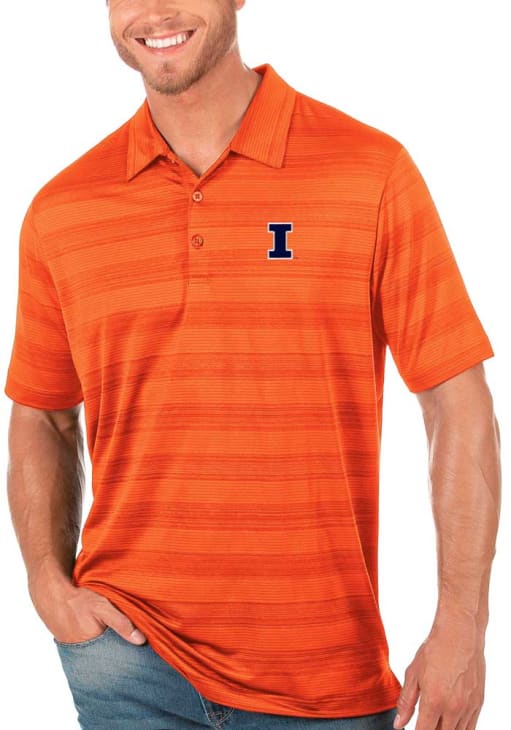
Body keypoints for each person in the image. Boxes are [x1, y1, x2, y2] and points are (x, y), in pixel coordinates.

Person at [4, 1, 501, 729]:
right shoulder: (63, 209)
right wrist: (47, 585)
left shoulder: (367, 171)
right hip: (127, 660)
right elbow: (42, 414)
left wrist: (463, 624)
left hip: (322, 679)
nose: (154, 12)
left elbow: (456, 400)